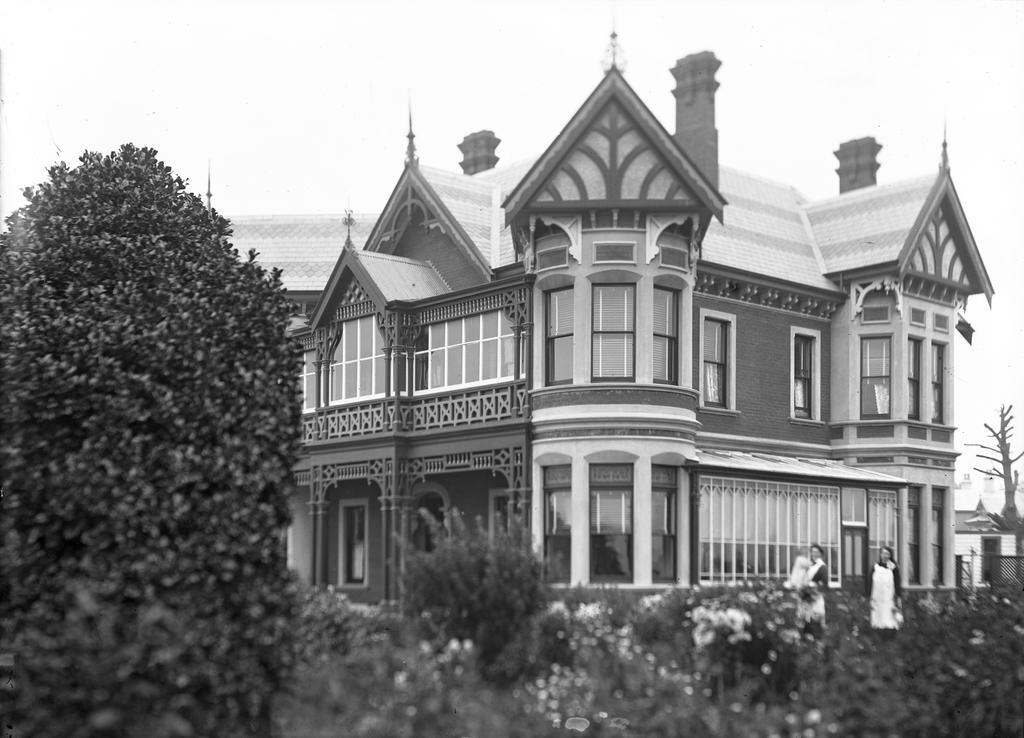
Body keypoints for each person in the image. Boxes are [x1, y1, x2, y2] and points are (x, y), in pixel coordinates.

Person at [869, 546, 902, 631]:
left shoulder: (893, 568)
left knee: (889, 620)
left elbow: (897, 583)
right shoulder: (875, 567)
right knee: (877, 620)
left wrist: (898, 597)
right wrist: (869, 596)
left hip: (889, 598)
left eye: (887, 553)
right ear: (880, 554)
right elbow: (870, 582)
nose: (885, 555)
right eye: (883, 553)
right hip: (877, 597)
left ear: (890, 555)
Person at [801, 544, 828, 636]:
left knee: (815, 622)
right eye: (812, 552)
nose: (814, 554)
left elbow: (824, 585)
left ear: (820, 554)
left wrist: (813, 592)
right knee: (806, 621)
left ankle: (816, 641)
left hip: (815, 599)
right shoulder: (811, 565)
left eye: (816, 552)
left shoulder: (822, 567)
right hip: (807, 599)